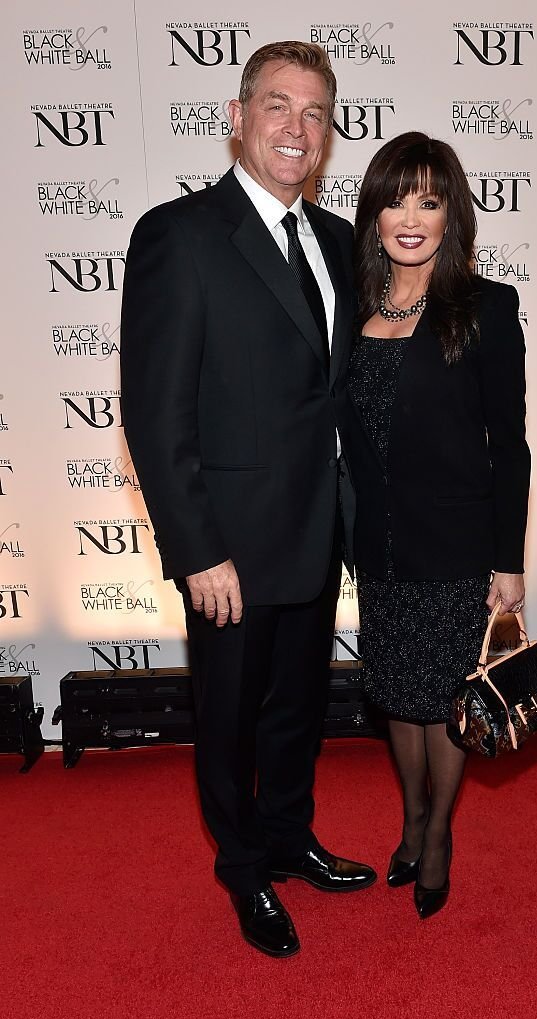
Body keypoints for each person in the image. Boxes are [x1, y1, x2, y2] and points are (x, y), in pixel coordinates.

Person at [120, 41, 375, 959]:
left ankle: (289, 835)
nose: (296, 129)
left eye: (315, 113)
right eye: (278, 106)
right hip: (227, 545)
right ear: (237, 116)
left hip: (318, 530)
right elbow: (154, 414)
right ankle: (243, 870)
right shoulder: (178, 235)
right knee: (229, 720)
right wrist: (195, 548)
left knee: (298, 709)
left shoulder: (343, 242)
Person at [336, 132, 530, 919]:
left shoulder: (485, 307)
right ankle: (411, 816)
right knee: (399, 695)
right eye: (394, 198)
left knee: (446, 699)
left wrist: (508, 561)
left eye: (429, 198)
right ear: (373, 213)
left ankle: (438, 831)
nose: (409, 216)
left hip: (457, 545)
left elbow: (508, 444)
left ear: (453, 213)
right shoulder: (352, 307)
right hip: (378, 543)